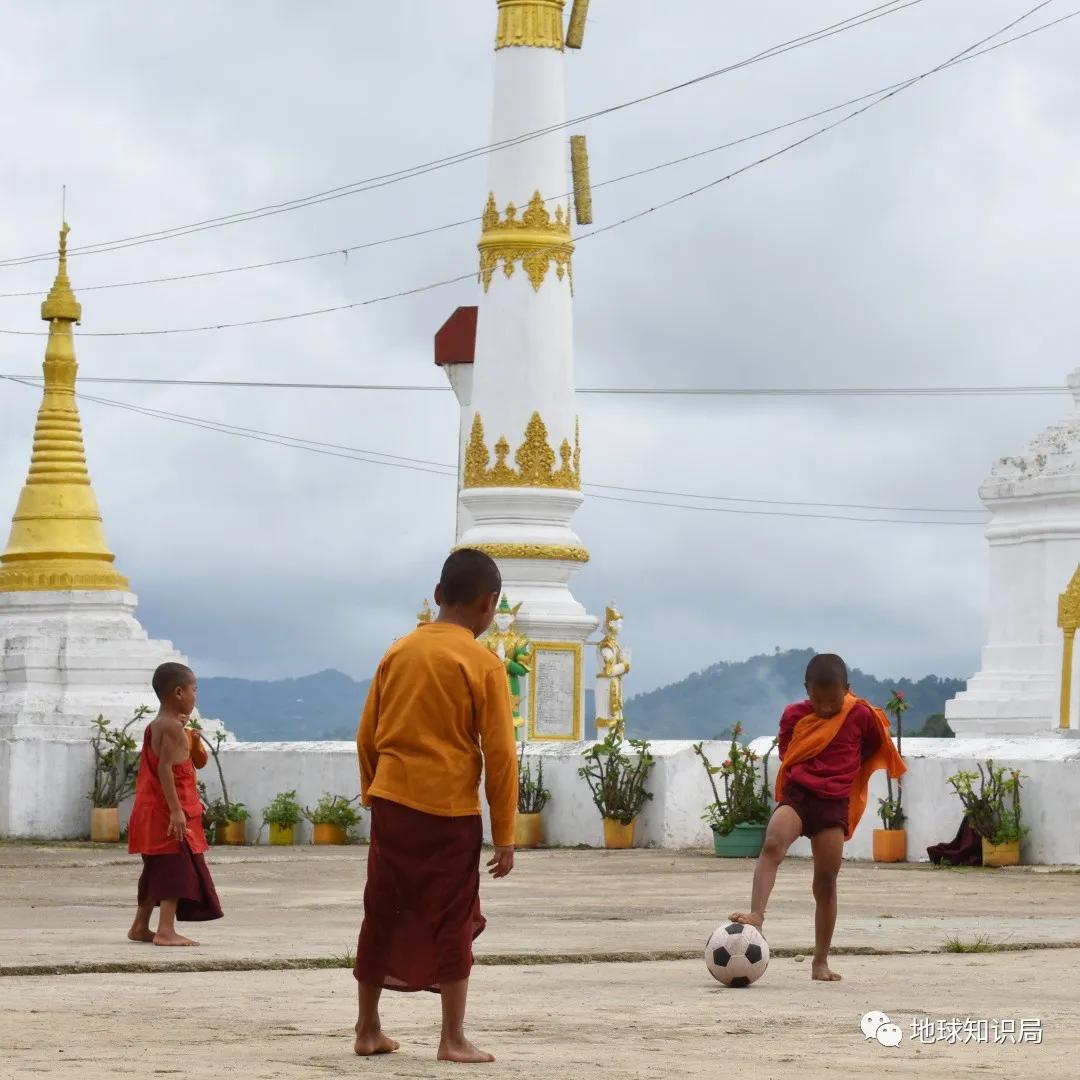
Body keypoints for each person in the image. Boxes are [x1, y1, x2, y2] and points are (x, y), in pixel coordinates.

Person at [354, 548, 519, 1064]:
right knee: (451, 916)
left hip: (392, 802)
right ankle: (451, 1037)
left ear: (439, 594)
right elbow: (500, 756)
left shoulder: (397, 652)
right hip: (448, 811)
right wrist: (506, 835)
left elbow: (367, 735)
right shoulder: (483, 664)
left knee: (382, 907)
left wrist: (375, 793)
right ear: (489, 605)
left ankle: (367, 1028)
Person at [730, 653, 905, 981]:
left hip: (832, 806)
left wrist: (844, 769)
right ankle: (757, 914)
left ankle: (820, 961)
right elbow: (788, 751)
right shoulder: (794, 715)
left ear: (847, 690)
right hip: (798, 797)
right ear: (806, 690)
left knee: (825, 883)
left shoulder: (860, 714)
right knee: (772, 844)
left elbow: (872, 746)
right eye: (817, 700)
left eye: (833, 700)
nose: (824, 708)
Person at [127, 662, 222, 946]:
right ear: (178, 692)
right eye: (194, 690)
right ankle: (166, 930)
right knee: (176, 869)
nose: (195, 696)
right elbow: (166, 769)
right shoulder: (172, 728)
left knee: (156, 869)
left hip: (151, 810)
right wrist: (177, 812)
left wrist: (191, 740)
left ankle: (140, 926)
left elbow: (193, 762)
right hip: (168, 812)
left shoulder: (160, 725)